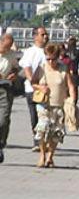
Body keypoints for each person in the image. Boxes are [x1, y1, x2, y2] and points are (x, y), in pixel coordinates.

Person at [32, 43, 77, 168]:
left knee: (55, 133)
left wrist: (72, 100)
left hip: (59, 105)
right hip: (44, 104)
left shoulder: (63, 68)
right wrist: (40, 87)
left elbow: (71, 86)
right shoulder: (41, 68)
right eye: (48, 59)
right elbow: (33, 82)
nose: (51, 62)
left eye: (53, 59)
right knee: (42, 129)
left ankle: (50, 156)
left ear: (58, 57)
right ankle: (42, 154)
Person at [20, 27, 49, 151]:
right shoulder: (31, 51)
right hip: (33, 89)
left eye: (46, 34)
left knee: (46, 116)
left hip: (47, 89)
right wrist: (33, 83)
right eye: (42, 34)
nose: (45, 37)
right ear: (35, 36)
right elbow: (26, 68)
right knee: (35, 116)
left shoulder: (49, 50)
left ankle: (45, 140)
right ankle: (37, 140)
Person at [0, 32, 20, 164]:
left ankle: (1, 144)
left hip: (5, 89)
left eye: (9, 47)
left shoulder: (12, 55)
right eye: (5, 47)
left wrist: (14, 74)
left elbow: (16, 68)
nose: (6, 50)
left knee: (3, 119)